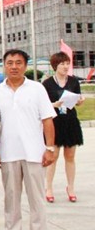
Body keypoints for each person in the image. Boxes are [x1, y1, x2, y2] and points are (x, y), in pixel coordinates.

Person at [0, 49, 56, 230]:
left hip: (34, 153)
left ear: (25, 66)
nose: (14, 66)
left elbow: (47, 119)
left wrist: (50, 148)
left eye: (18, 63)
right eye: (10, 63)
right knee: (11, 199)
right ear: (4, 65)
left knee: (37, 199)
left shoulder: (37, 89)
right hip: (8, 153)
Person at [42, 51, 85, 203]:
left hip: (70, 121)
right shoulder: (47, 84)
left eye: (67, 63)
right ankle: (48, 188)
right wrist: (54, 105)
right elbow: (42, 105)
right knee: (52, 157)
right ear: (55, 65)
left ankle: (71, 187)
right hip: (54, 122)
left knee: (70, 156)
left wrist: (79, 101)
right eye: (62, 64)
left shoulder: (73, 82)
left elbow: (77, 99)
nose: (66, 66)